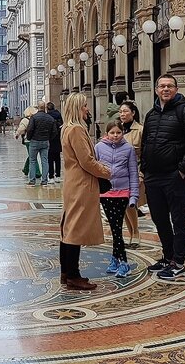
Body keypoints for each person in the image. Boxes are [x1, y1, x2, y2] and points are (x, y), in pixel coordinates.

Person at [140, 75, 185, 281]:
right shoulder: (151, 114)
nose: (165, 89)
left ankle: (178, 261)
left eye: (169, 86)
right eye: (162, 86)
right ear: (156, 89)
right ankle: (167, 256)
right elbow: (146, 141)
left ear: (176, 89)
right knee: (159, 218)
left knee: (178, 219)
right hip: (153, 176)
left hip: (175, 176)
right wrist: (145, 168)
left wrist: (183, 170)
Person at [59, 93, 111, 290]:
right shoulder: (77, 130)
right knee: (75, 230)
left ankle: (66, 273)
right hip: (81, 184)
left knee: (69, 227)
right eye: (84, 106)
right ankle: (73, 275)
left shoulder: (66, 128)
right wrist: (107, 172)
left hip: (73, 183)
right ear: (76, 108)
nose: (87, 110)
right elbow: (86, 161)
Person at [95, 120, 138, 278]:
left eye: (118, 133)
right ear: (107, 133)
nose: (115, 136)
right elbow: (95, 170)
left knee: (116, 228)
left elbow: (133, 172)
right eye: (112, 133)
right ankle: (115, 259)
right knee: (115, 229)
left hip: (122, 193)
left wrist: (133, 196)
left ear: (122, 133)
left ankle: (124, 263)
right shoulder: (98, 147)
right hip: (106, 193)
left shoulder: (128, 149)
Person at [117, 101, 145, 247]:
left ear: (133, 113)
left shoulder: (140, 130)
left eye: (125, 111)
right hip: (119, 173)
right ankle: (131, 234)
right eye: (120, 111)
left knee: (130, 203)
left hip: (134, 172)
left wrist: (141, 174)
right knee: (123, 204)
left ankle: (136, 234)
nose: (122, 114)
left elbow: (145, 154)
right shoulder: (117, 130)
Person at [25, 101, 57, 186]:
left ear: (38, 108)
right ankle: (44, 180)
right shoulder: (50, 118)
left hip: (34, 141)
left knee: (32, 161)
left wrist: (29, 138)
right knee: (45, 161)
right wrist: (48, 138)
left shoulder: (34, 118)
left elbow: (30, 129)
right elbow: (54, 131)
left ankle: (32, 180)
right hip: (45, 141)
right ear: (44, 108)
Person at [16, 107, 37, 178]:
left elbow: (21, 128)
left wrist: (17, 135)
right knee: (32, 156)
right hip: (35, 139)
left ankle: (29, 170)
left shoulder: (25, 120)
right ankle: (31, 170)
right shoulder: (35, 118)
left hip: (28, 139)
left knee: (31, 156)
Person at [46, 101, 64, 183]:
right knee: (57, 158)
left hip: (49, 139)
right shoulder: (58, 114)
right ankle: (58, 176)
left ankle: (51, 176)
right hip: (57, 139)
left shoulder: (47, 116)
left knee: (50, 159)